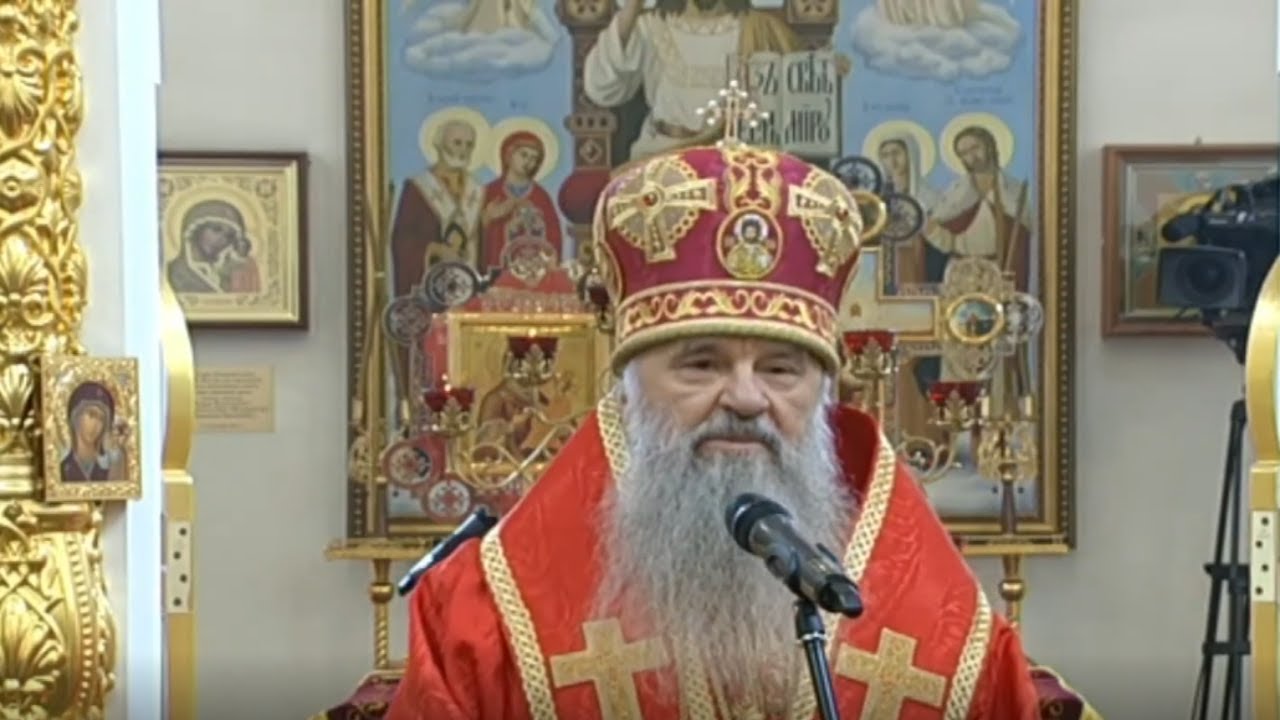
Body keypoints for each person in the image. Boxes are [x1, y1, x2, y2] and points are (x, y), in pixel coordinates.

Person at [387, 138, 1096, 719]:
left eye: (783, 370)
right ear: (627, 387)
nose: (748, 398)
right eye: (701, 364)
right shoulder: (485, 615)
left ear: (825, 392)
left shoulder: (945, 620)